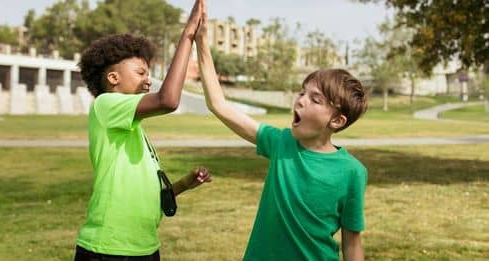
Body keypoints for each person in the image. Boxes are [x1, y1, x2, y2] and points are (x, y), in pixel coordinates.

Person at [195, 5, 368, 260]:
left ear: (337, 120)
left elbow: (352, 244)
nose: (300, 101)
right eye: (302, 93)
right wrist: (201, 42)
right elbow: (219, 105)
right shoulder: (281, 143)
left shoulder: (353, 172)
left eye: (315, 100)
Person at [74, 0, 211, 260]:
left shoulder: (134, 132)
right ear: (113, 78)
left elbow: (151, 195)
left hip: (145, 248)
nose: (148, 79)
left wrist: (184, 184)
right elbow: (168, 100)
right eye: (140, 72)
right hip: (108, 249)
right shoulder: (105, 104)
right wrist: (188, 36)